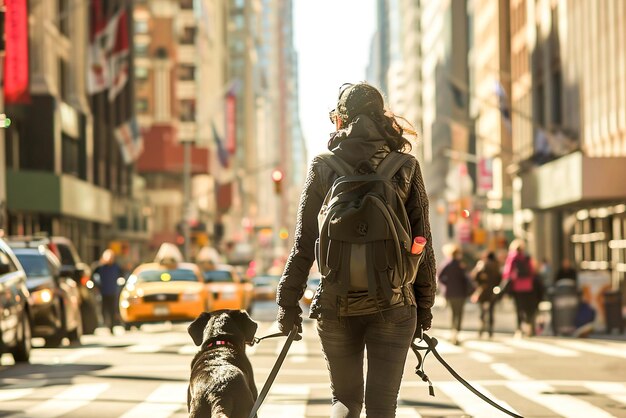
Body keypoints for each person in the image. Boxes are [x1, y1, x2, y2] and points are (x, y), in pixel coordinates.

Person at [275, 82, 436, 418]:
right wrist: (424, 307)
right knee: (381, 408)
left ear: (341, 118)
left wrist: (287, 304)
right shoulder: (405, 166)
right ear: (382, 116)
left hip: (335, 303)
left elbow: (304, 242)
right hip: (394, 303)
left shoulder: (322, 165)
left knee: (344, 401)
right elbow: (423, 242)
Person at [502, 239, 539, 337]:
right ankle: (528, 326)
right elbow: (533, 270)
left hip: (517, 287)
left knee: (519, 308)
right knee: (527, 308)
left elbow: (507, 272)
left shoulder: (512, 257)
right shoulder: (527, 257)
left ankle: (519, 329)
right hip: (528, 286)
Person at [438, 244, 471, 345]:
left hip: (450, 293)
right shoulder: (461, 265)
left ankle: (453, 334)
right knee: (459, 314)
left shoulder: (446, 264)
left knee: (453, 314)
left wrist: (446, 285)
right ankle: (456, 334)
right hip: (460, 293)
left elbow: (439, 277)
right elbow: (466, 279)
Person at [470, 251, 501, 339]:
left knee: (482, 311)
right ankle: (490, 330)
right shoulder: (496, 266)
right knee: (491, 311)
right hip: (492, 291)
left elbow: (474, 276)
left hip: (483, 290)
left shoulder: (482, 264)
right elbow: (499, 279)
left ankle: (481, 328)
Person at [93, 249, 123, 333]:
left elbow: (121, 275)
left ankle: (112, 326)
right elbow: (93, 276)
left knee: (112, 310)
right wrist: (96, 285)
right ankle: (105, 323)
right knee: (103, 309)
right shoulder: (99, 267)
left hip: (113, 291)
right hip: (102, 292)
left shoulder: (116, 267)